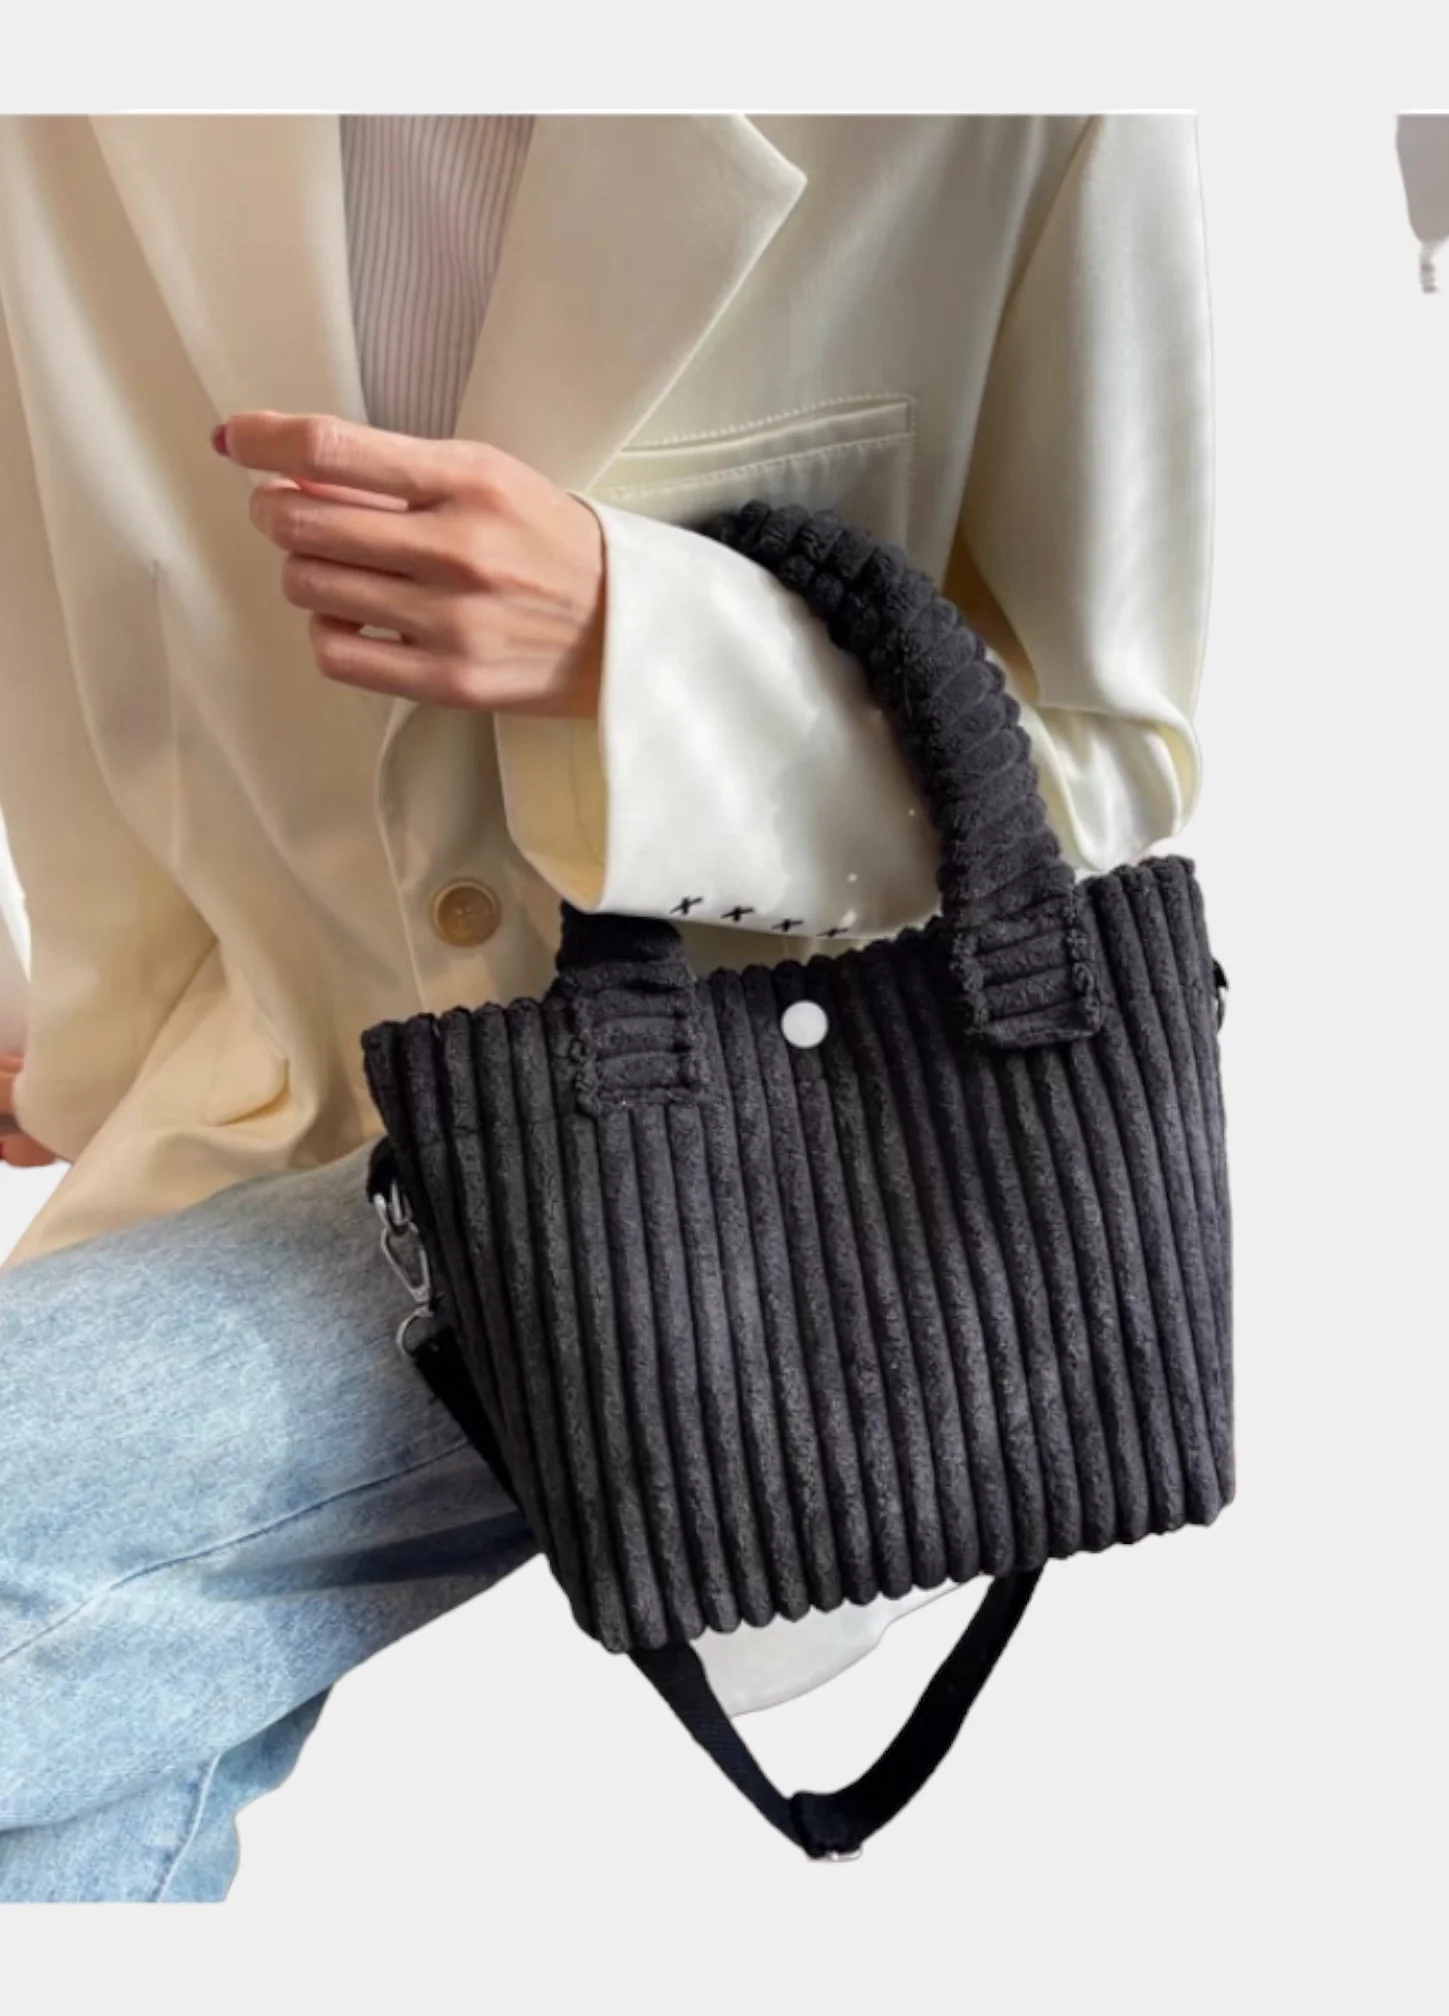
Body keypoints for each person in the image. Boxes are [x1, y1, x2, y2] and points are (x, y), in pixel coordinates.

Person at [0, 112, 1214, 1899]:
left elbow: (1108, 758)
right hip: (250, 1077)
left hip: (787, 1180)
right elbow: (61, 584)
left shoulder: (1021, 99)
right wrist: (75, 1016)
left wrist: (629, 645)